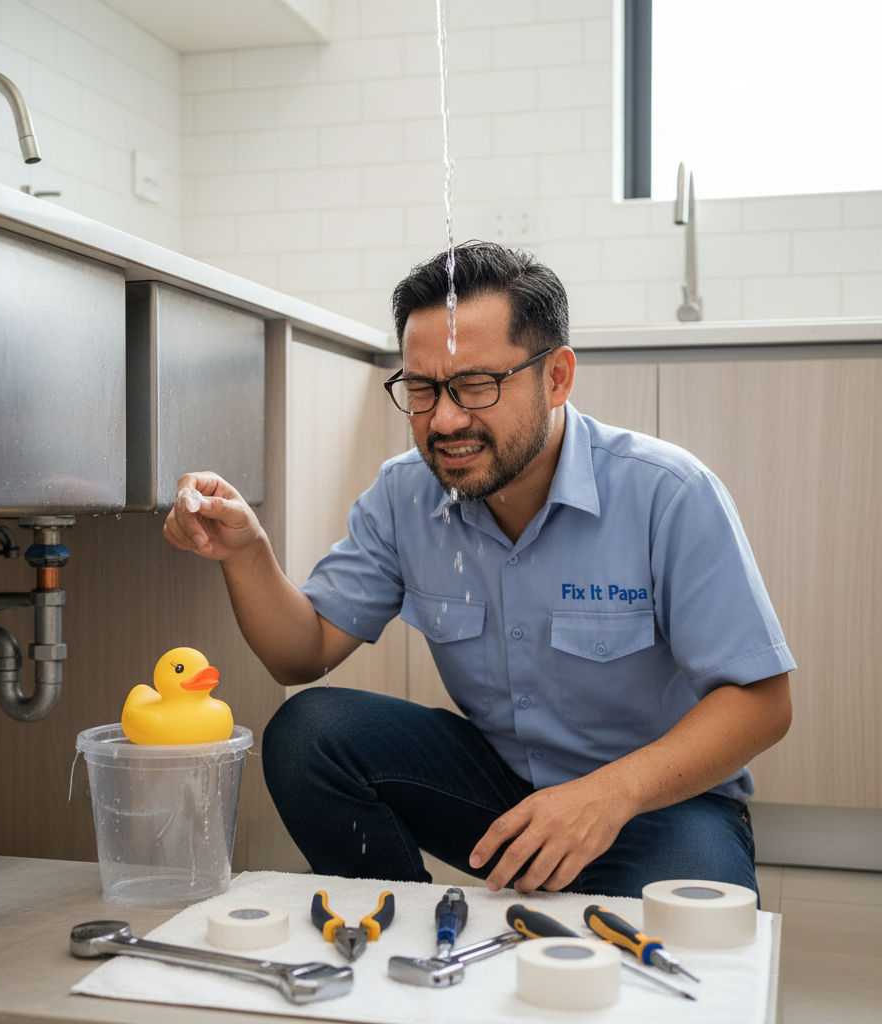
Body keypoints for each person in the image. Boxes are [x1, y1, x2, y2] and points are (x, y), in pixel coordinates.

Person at [163, 242, 793, 898]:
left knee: (684, 965)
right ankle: (391, 932)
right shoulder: (406, 494)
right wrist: (245, 550)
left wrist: (607, 797)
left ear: (556, 377)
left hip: (658, 807)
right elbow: (303, 653)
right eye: (422, 389)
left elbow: (763, 704)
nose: (444, 420)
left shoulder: (667, 491)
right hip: (501, 798)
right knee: (311, 732)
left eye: (475, 386)